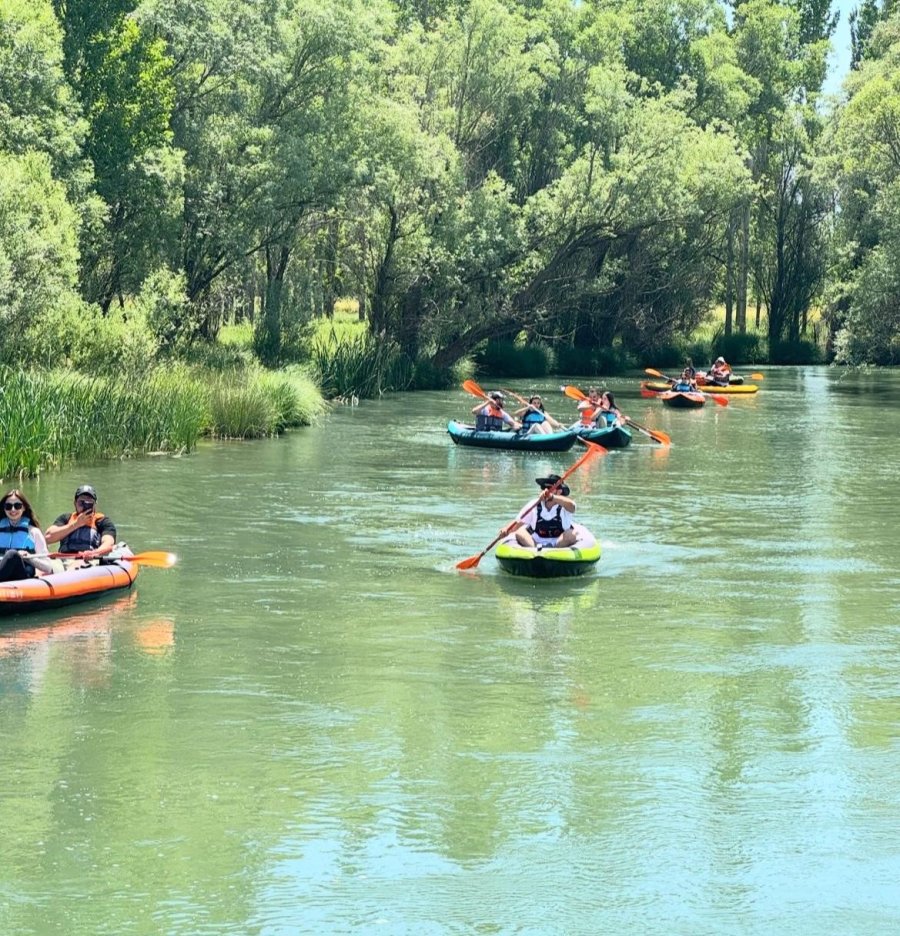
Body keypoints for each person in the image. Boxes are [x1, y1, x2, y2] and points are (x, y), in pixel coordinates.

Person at [45, 484, 117, 560]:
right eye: (81, 503)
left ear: (95, 505)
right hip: (64, 559)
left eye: (89, 503)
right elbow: (48, 538)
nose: (85, 506)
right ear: (75, 503)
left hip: (90, 561)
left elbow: (108, 543)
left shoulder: (103, 521)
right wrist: (76, 524)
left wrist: (95, 553)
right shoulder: (65, 518)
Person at [506, 475, 578, 550]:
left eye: (549, 488)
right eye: (543, 488)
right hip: (535, 543)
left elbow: (572, 507)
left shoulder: (565, 505)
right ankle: (535, 550)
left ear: (559, 491)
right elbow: (518, 522)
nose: (545, 490)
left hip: (559, 543)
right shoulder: (534, 504)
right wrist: (506, 529)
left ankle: (554, 550)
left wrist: (552, 497)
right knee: (520, 532)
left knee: (571, 534)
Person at [0, 489, 52, 581]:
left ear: (24, 508)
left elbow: (48, 567)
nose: (13, 509)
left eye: (17, 506)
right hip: (3, 576)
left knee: (12, 554)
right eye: (8, 506)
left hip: (23, 577)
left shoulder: (34, 532)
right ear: (4, 509)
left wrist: (28, 558)